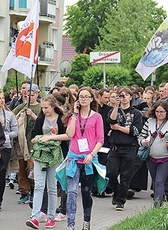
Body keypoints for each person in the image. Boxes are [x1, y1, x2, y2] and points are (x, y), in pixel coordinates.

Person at [57, 87, 106, 230]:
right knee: (71, 192)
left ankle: (86, 221)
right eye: (81, 97)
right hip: (73, 158)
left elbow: (100, 139)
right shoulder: (74, 116)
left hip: (89, 159)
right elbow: (70, 134)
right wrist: (74, 114)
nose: (83, 99)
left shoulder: (97, 117)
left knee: (86, 192)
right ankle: (70, 225)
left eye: (86, 97)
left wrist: (92, 154)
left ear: (92, 99)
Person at [26, 95, 69, 229]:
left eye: (46, 108)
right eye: (42, 108)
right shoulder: (40, 119)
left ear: (53, 106)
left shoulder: (61, 119)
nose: (44, 110)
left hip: (55, 156)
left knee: (52, 187)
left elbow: (67, 136)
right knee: (39, 185)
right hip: (40, 155)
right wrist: (41, 139)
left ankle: (51, 217)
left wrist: (51, 139)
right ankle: (35, 217)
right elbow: (33, 138)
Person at [138, 100, 168, 207]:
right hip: (151, 157)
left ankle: (156, 205)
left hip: (166, 158)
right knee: (154, 181)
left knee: (159, 181)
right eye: (157, 112)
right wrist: (143, 142)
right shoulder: (149, 121)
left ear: (167, 112)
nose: (159, 114)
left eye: (162, 112)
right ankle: (159, 201)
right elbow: (141, 136)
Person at [107, 87, 143, 211]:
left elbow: (135, 131)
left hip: (129, 148)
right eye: (121, 95)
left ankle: (120, 201)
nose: (123, 97)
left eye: (126, 95)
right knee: (111, 173)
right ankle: (117, 193)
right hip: (115, 147)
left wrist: (118, 128)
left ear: (130, 97)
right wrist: (116, 106)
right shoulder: (114, 110)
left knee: (125, 176)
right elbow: (110, 121)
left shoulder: (136, 113)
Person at [0, 90, 18, 211]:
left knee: (1, 173)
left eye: (3, 98)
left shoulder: (10, 115)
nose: (2, 100)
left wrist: (6, 136)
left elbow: (15, 132)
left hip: (5, 146)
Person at [13, 84, 41, 204]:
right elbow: (12, 117)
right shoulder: (21, 106)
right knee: (21, 169)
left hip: (34, 143)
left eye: (33, 94)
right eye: (28, 94)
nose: (30, 97)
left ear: (37, 94)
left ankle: (35, 190)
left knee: (32, 168)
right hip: (22, 142)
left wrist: (33, 115)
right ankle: (24, 192)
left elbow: (43, 123)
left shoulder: (40, 108)